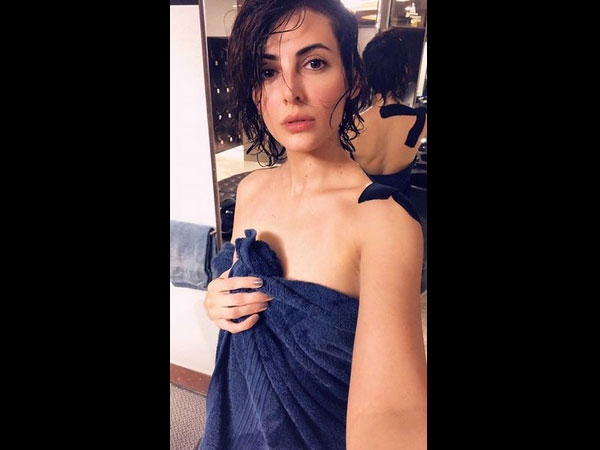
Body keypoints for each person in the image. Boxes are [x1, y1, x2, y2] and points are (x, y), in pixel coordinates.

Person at [199, 1, 426, 448]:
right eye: (268, 71)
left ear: (353, 77)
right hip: (238, 425)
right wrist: (217, 301)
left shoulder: (382, 222)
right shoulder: (251, 190)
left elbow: (393, 414)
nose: (290, 92)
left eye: (314, 63)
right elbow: (247, 318)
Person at [352, 27, 427, 196]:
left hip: (361, 208)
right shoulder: (422, 121)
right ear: (405, 72)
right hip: (402, 208)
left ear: (367, 74)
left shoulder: (351, 128)